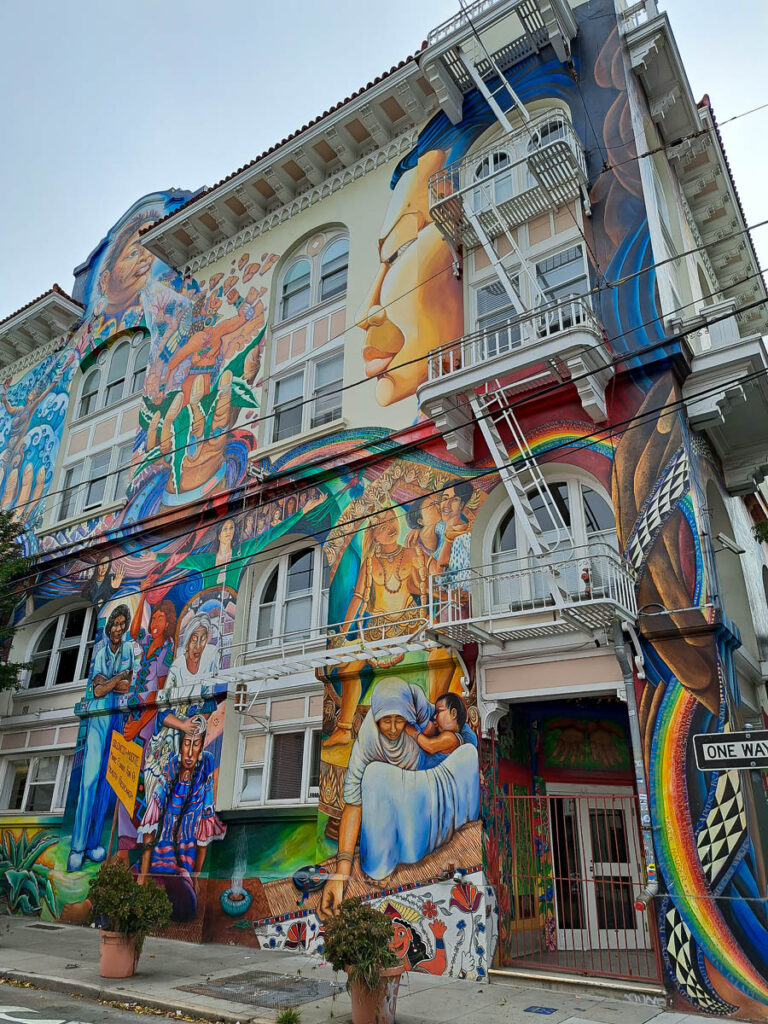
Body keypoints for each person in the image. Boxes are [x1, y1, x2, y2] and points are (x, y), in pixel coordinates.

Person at [319, 678, 478, 918]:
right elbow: (353, 804)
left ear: (409, 715)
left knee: (469, 754)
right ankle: (384, 861)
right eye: (386, 721)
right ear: (376, 719)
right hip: (397, 801)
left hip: (428, 789)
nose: (393, 728)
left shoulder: (419, 705)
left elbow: (451, 730)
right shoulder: (368, 742)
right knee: (374, 776)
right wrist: (341, 875)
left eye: (399, 720)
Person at [67, 604, 136, 872]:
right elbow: (97, 691)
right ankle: (77, 847)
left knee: (107, 783)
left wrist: (112, 680)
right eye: (115, 624)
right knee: (89, 780)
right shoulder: (100, 650)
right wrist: (116, 678)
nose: (118, 628)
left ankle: (94, 844)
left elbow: (126, 686)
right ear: (109, 628)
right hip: (98, 716)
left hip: (118, 716)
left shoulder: (129, 649)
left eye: (122, 624)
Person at [138, 718, 225, 921]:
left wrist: (196, 877)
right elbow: (151, 819)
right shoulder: (170, 769)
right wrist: (143, 875)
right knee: (157, 895)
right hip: (161, 859)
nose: (189, 752)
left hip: (185, 860)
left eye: (195, 745)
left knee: (185, 907)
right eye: (186, 743)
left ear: (201, 745)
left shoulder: (206, 765)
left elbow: (206, 825)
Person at [115, 594, 177, 855]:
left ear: (168, 623)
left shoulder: (167, 650)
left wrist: (140, 724)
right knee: (123, 773)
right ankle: (124, 840)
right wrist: (143, 596)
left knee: (142, 777)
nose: (155, 623)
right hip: (132, 716)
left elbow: (158, 693)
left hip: (148, 721)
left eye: (160, 619)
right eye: (154, 618)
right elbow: (132, 631)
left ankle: (141, 836)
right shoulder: (146, 642)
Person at [142, 614, 218, 808]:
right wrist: (183, 724)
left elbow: (210, 701)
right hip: (173, 731)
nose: (198, 645)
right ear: (187, 639)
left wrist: (199, 720)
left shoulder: (210, 658)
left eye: (203, 639)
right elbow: (163, 709)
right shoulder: (177, 667)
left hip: (195, 732)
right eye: (194, 639)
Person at [405, 692, 467, 760]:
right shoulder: (449, 736)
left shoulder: (451, 737)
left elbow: (430, 746)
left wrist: (413, 731)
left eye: (439, 711)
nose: (435, 716)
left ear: (453, 714)